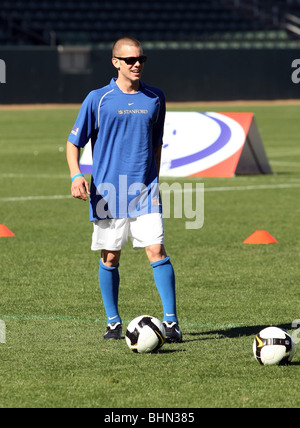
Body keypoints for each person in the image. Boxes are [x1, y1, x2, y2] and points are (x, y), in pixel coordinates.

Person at [66, 37, 182, 343]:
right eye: (130, 60)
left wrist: (153, 182)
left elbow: (156, 145)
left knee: (156, 250)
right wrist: (76, 174)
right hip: (107, 194)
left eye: (141, 59)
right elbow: (72, 143)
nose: (136, 65)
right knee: (110, 257)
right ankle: (113, 322)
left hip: (145, 192)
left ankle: (171, 322)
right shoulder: (98, 98)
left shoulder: (156, 97)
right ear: (115, 62)